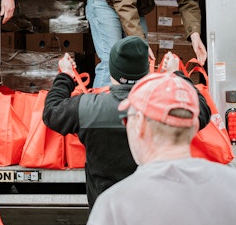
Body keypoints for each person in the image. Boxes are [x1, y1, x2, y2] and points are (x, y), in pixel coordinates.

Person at [73, 72, 236, 225]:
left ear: (138, 124)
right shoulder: (231, 185)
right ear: (193, 125)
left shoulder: (115, 206)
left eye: (126, 120)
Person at [43, 36, 211, 209]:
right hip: (157, 214)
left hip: (106, 215)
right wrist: (177, 76)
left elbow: (51, 111)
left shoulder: (87, 107)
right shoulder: (166, 108)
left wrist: (65, 76)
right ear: (147, 70)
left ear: (111, 71)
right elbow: (202, 111)